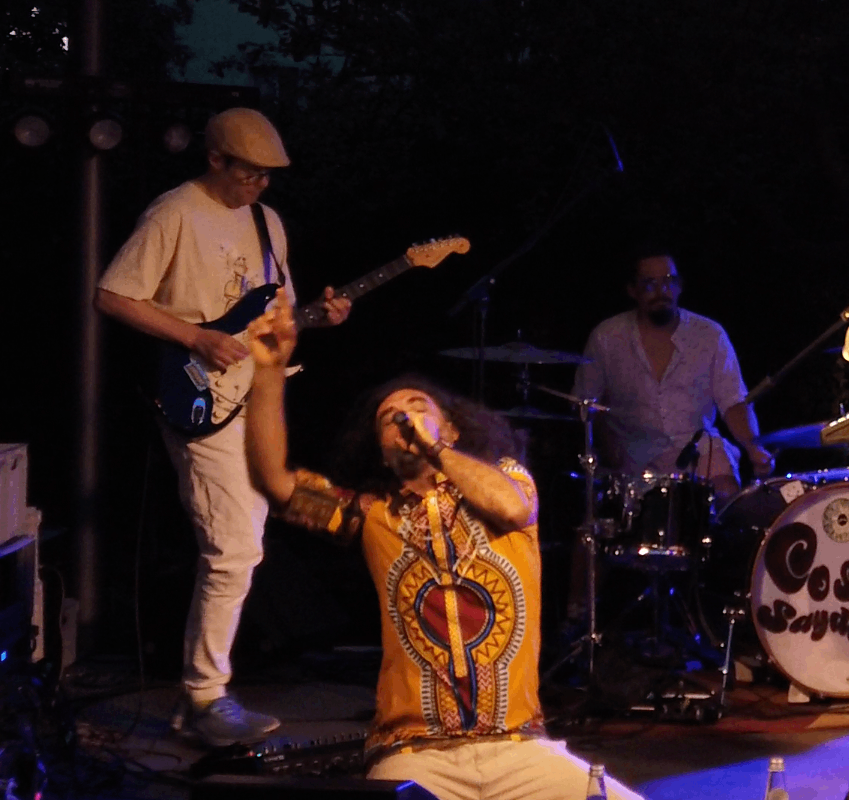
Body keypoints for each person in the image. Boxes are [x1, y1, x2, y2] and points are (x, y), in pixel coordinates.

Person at [242, 307, 646, 800]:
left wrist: (437, 453)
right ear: (381, 449)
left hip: (518, 747)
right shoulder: (373, 515)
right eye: (388, 418)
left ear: (450, 429)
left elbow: (510, 506)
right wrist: (266, 372)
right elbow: (275, 482)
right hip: (414, 753)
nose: (402, 417)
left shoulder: (509, 479)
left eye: (416, 406)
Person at [94, 107, 351, 745]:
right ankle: (205, 694)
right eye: (249, 174)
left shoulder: (268, 223)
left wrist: (323, 315)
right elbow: (113, 294)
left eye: (267, 177)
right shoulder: (175, 212)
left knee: (250, 540)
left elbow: (276, 314)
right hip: (197, 394)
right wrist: (195, 337)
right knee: (233, 545)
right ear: (215, 160)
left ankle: (201, 697)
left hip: (254, 394)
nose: (259, 186)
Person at [572, 251, 773, 501]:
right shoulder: (606, 338)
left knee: (724, 497)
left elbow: (733, 401)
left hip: (697, 448)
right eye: (649, 283)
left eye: (668, 281)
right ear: (632, 290)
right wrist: (608, 448)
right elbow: (587, 406)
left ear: (679, 286)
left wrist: (753, 447)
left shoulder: (709, 334)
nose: (661, 290)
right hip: (631, 457)